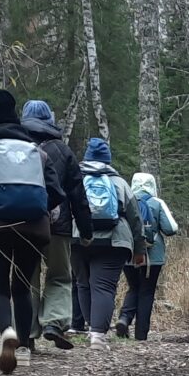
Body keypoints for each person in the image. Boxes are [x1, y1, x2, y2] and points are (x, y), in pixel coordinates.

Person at [0, 89, 62, 374]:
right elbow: (56, 193)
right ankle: (26, 347)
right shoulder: (37, 153)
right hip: (32, 227)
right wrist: (35, 210)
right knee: (23, 286)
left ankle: (7, 331)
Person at [18, 99, 85, 349]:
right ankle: (54, 323)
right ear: (50, 120)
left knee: (27, 278)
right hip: (59, 226)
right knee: (59, 275)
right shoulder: (63, 150)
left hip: (24, 224)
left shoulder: (15, 148)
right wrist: (85, 229)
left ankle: (27, 332)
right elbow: (77, 194)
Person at [71, 138, 145, 350]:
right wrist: (139, 250)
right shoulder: (119, 183)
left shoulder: (75, 180)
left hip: (78, 237)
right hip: (114, 239)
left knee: (83, 284)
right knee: (103, 286)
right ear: (108, 160)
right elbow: (135, 219)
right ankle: (97, 336)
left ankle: (90, 327)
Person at [116, 173, 178, 340]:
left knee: (133, 287)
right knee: (147, 291)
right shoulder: (157, 203)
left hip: (129, 253)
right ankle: (141, 334)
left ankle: (124, 318)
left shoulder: (125, 200)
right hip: (153, 256)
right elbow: (171, 228)